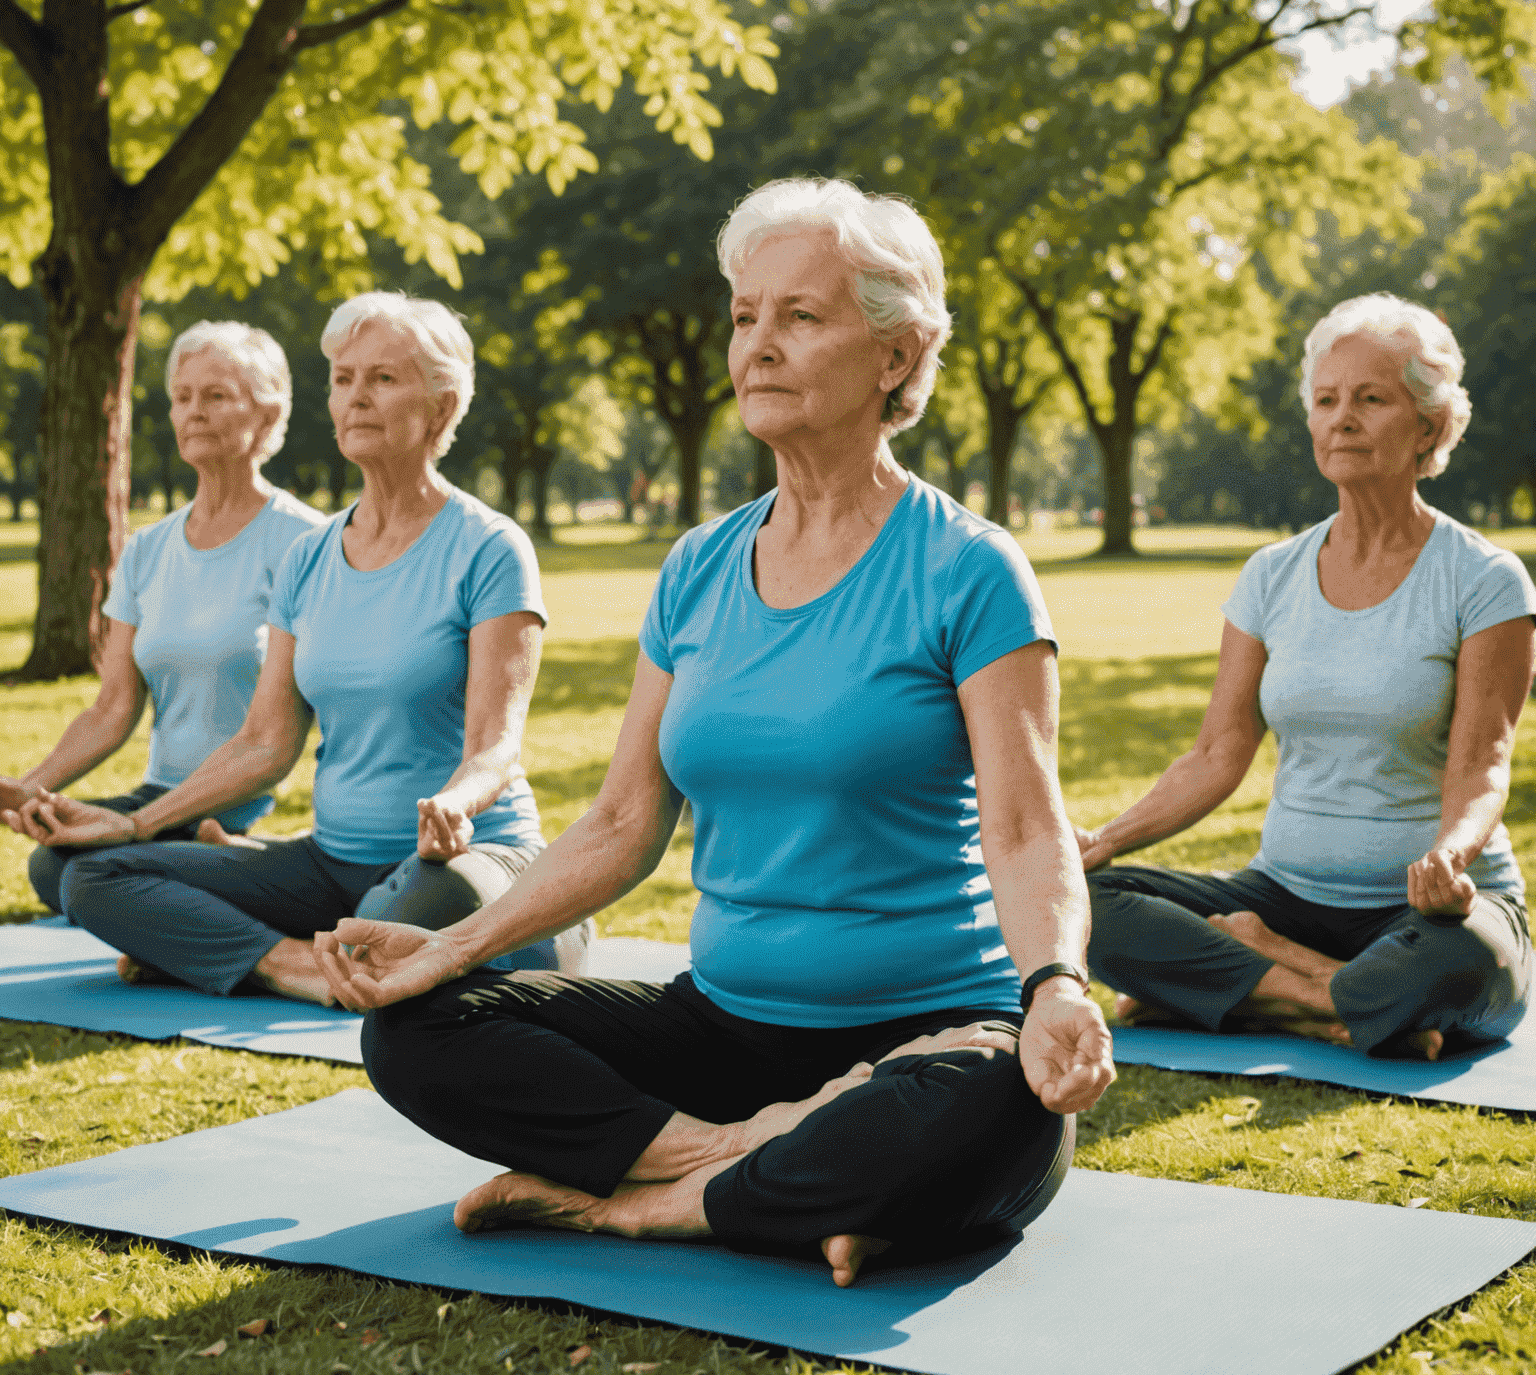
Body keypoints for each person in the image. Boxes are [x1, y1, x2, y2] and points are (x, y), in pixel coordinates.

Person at [313, 179, 1115, 1287]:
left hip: (930, 1032)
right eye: (746, 316)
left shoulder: (968, 568)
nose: (759, 346)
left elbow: (1028, 832)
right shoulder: (696, 568)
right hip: (724, 1033)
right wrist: (445, 951)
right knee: (416, 1033)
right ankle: (743, 1164)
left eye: (801, 316)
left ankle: (640, 1206)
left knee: (998, 1117)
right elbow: (621, 825)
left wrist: (1056, 988)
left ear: (893, 356)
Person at [12, 292, 589, 1002]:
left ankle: (240, 949)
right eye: (344, 379)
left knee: (403, 916)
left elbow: (495, 748)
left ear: (441, 405)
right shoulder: (309, 558)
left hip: (463, 856)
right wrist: (133, 822)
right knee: (92, 874)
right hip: (331, 863)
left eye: (383, 379)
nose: (356, 398)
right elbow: (264, 741)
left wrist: (456, 804)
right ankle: (290, 964)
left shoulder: (490, 547)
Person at [1079, 294, 1535, 1061]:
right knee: (1082, 905)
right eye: (1326, 401)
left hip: (1430, 913)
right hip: (1283, 899)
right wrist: (1105, 839)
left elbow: (1484, 761)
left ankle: (1261, 988)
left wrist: (1451, 856)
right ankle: (1330, 998)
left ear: (1428, 425)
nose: (1341, 418)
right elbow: (1217, 754)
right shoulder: (1271, 576)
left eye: (1370, 399)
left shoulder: (1486, 579)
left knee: (1471, 966)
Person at [1, 322, 324, 913]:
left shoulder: (305, 542)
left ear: (267, 410)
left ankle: (242, 859)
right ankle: (212, 871)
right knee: (52, 864)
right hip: (160, 795)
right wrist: (30, 791)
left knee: (87, 878)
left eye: (216, 395)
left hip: (238, 798)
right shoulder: (147, 550)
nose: (192, 412)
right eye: (182, 397)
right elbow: (112, 709)